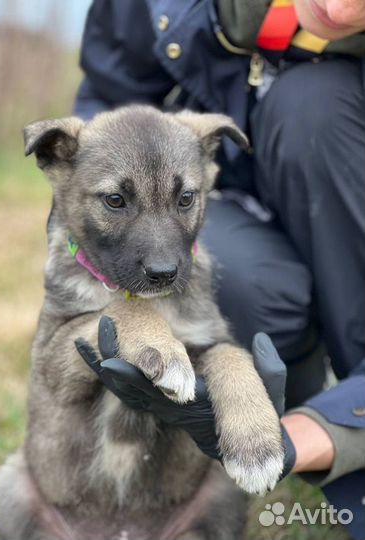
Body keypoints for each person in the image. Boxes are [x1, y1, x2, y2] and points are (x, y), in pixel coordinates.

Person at [73, 1, 365, 538]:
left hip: (340, 168)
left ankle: (345, 406)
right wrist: (86, 253)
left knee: (312, 105)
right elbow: (102, 113)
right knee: (232, 280)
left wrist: (310, 436)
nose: (337, 6)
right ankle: (292, 386)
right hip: (232, 205)